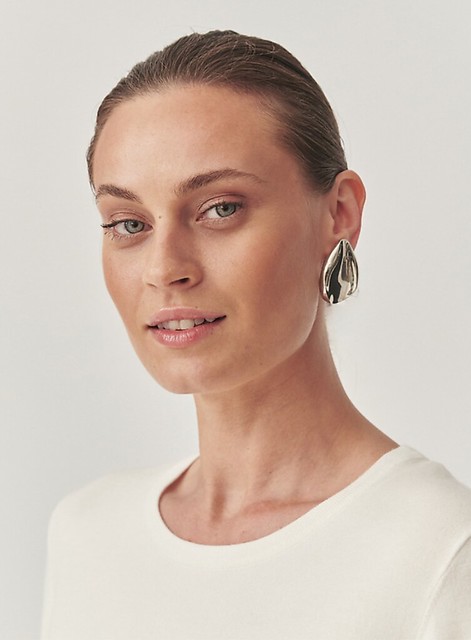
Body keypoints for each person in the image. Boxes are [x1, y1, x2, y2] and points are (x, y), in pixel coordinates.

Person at [41, 31, 471, 639]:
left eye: (221, 209)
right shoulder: (87, 534)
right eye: (129, 224)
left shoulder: (441, 552)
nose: (165, 268)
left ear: (339, 214)